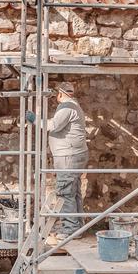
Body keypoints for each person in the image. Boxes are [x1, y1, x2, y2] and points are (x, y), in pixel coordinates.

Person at [26, 82, 89, 237]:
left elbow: (53, 125)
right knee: (73, 192)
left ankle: (70, 229)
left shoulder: (67, 107)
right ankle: (77, 227)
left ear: (61, 93)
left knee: (65, 192)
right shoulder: (74, 106)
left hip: (68, 156)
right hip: (73, 154)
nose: (55, 97)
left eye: (56, 94)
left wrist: (35, 120)